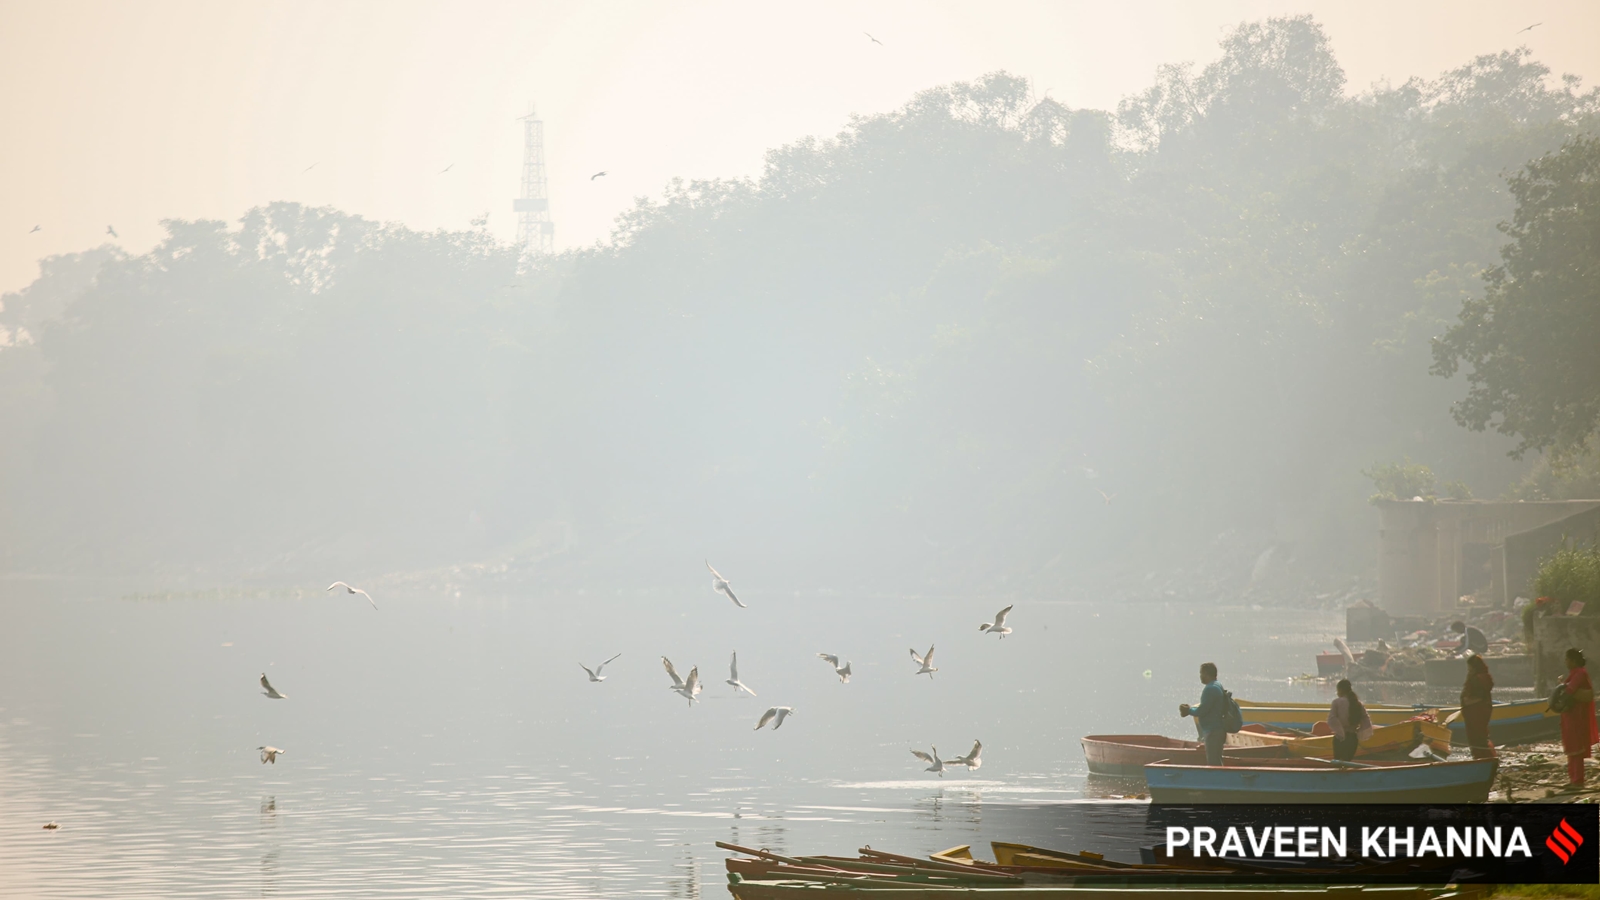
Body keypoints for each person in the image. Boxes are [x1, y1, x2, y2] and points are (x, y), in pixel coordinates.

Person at [1559, 648, 1597, 788]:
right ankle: (1573, 779)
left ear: (1573, 660)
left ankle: (1578, 780)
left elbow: (1569, 690)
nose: (1566, 662)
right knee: (1571, 747)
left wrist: (1562, 686)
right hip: (1571, 715)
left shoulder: (1580, 673)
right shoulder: (1574, 673)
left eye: (1567, 659)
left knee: (1576, 747)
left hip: (1577, 716)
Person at [1179, 662, 1227, 765]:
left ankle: (1216, 780)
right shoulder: (1217, 684)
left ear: (1206, 674)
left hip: (1213, 731)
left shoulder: (1210, 689)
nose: (1200, 676)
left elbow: (1202, 710)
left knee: (1213, 762)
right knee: (1217, 760)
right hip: (1217, 730)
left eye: (1201, 673)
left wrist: (1188, 711)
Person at [1328, 679, 1373, 761]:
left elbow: (1332, 719)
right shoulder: (1358, 703)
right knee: (1347, 762)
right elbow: (1366, 720)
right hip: (1353, 738)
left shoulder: (1336, 702)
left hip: (1340, 739)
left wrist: (1340, 732)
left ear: (1340, 690)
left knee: (1338, 763)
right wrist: (1359, 732)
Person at [1460, 654, 1495, 759]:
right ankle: (1478, 757)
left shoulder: (1480, 678)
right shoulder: (1474, 676)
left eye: (1470, 667)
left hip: (1478, 711)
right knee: (1475, 736)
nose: (1469, 669)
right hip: (1472, 712)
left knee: (1479, 736)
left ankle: (1484, 757)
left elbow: (1481, 697)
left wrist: (1467, 702)